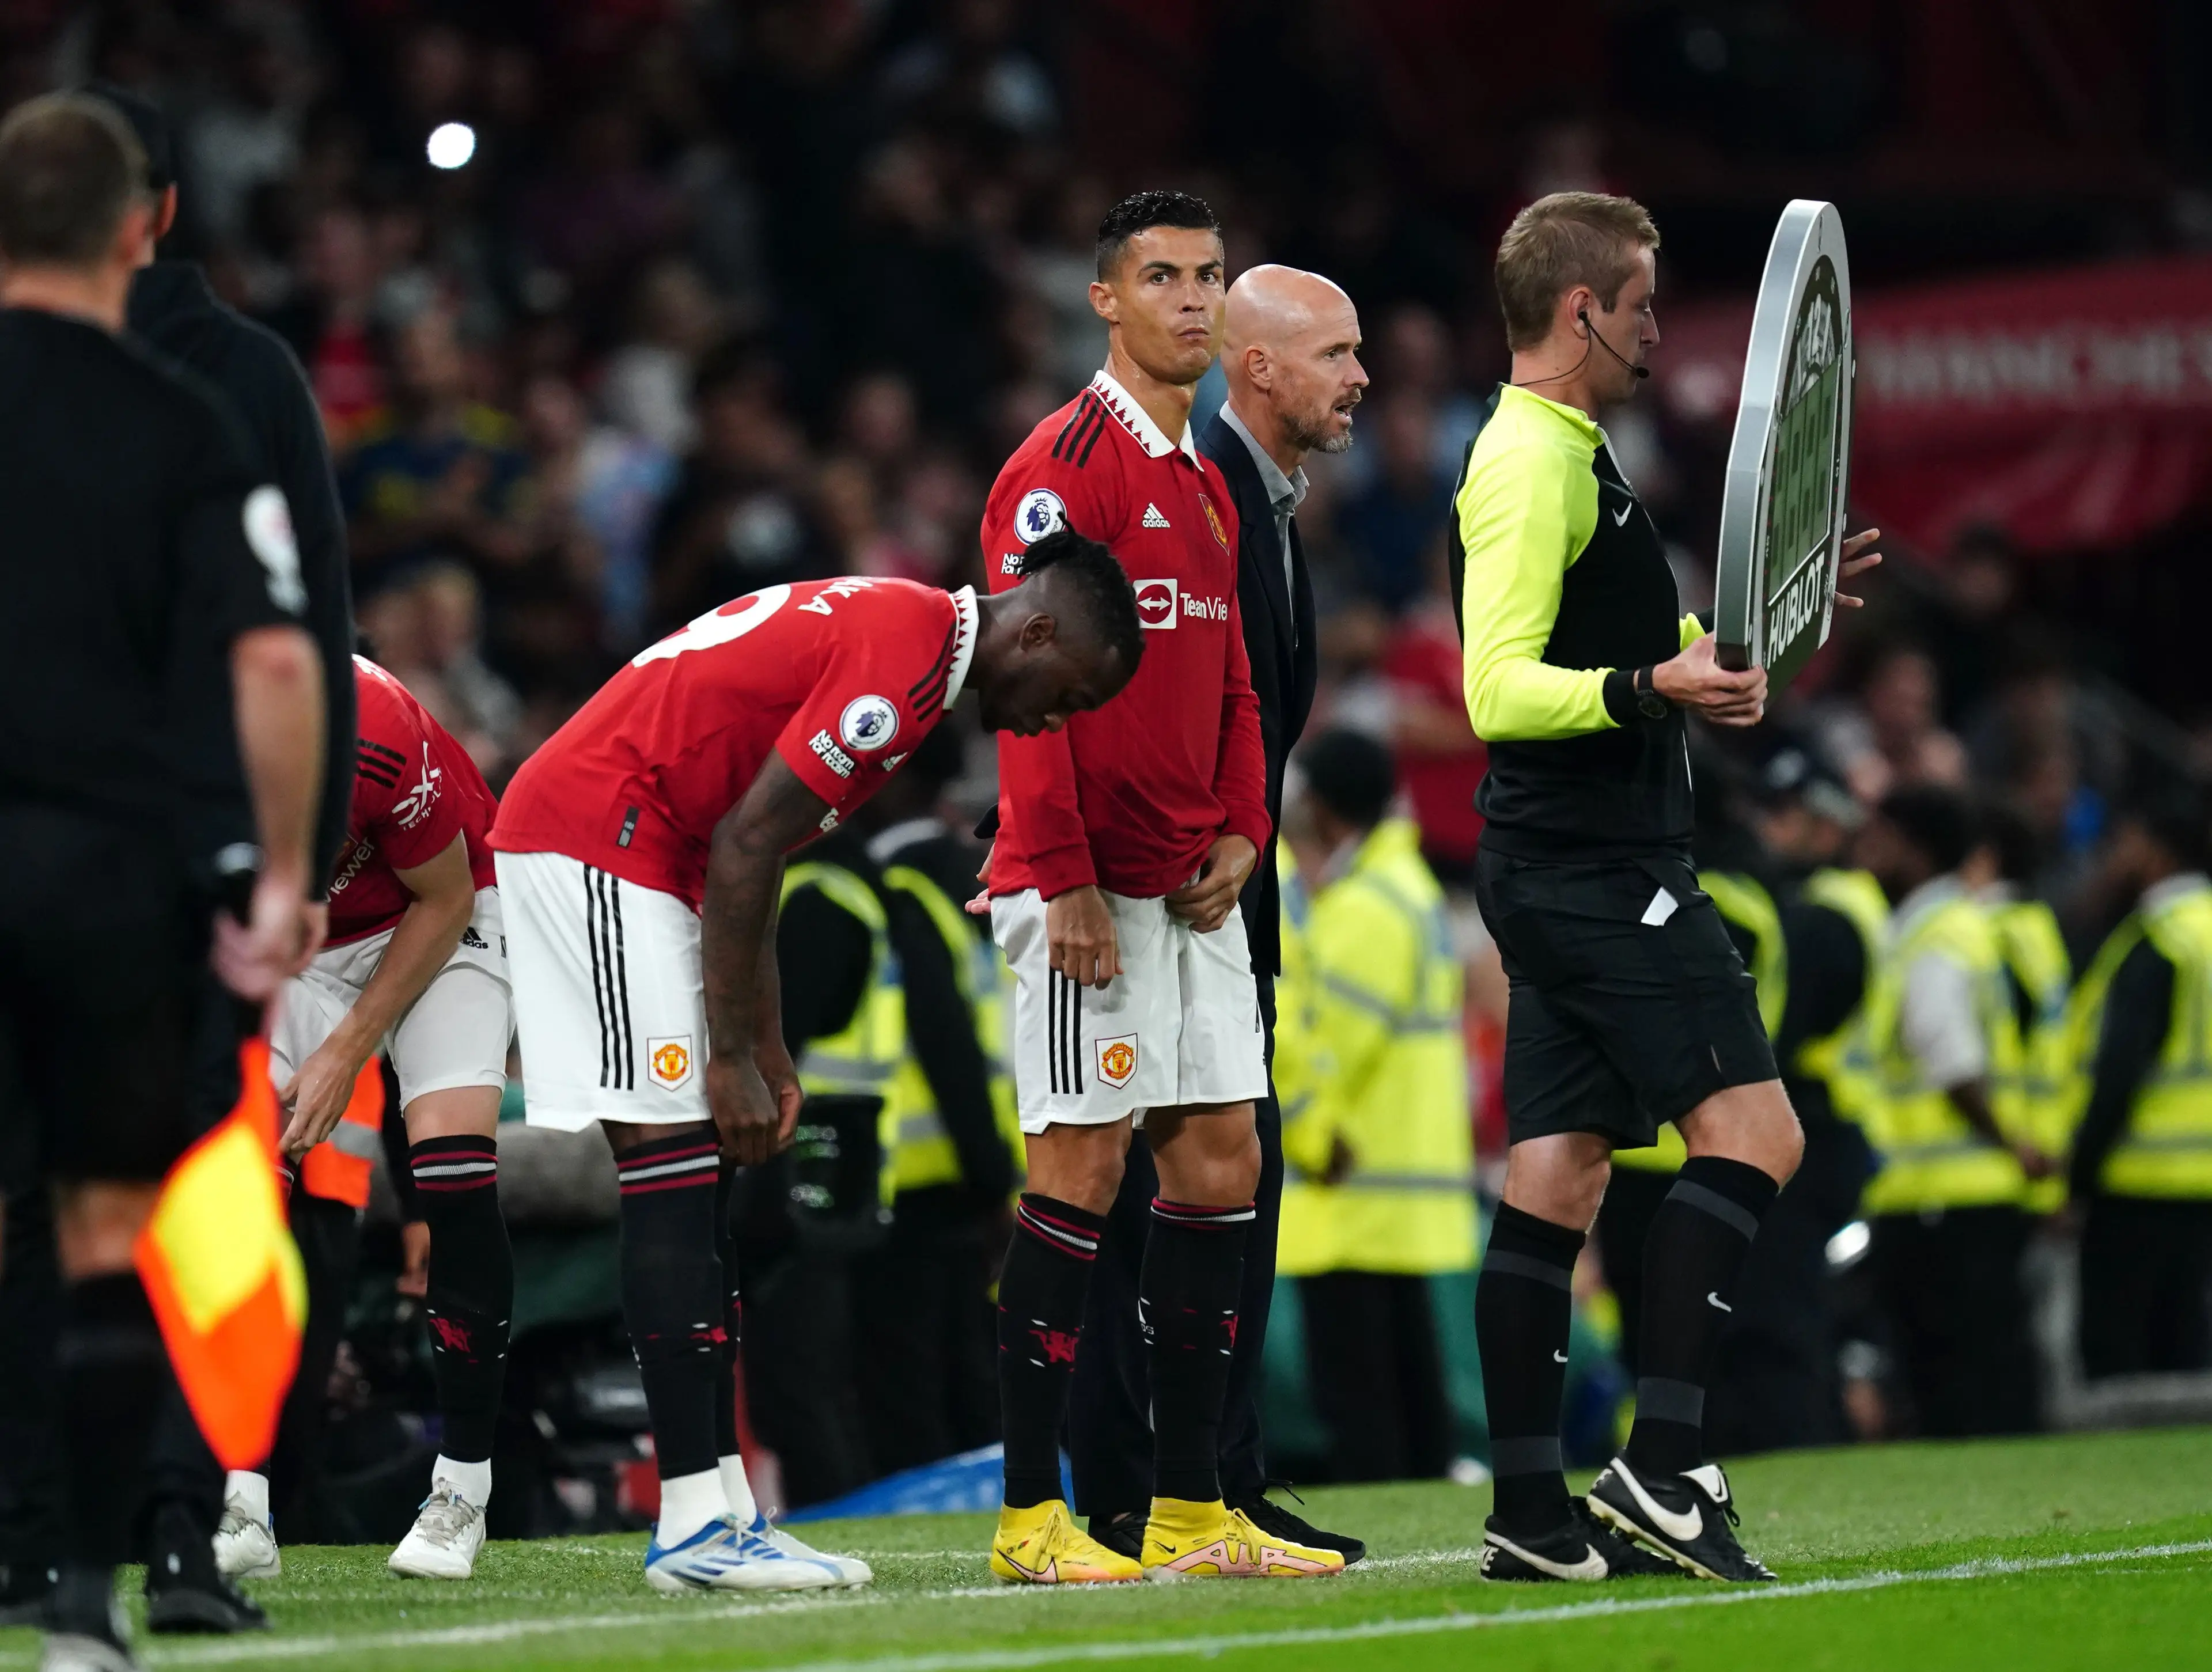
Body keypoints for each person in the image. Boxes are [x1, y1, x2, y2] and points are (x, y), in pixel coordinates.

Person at [488, 532, 1141, 1593]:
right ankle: (693, 1522)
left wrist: (769, 1044)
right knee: (668, 1167)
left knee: (698, 1181)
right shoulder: (908, 665)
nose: (1051, 722)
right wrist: (734, 1053)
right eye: (1067, 693)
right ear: (1035, 630)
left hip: (651, 841)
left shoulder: (913, 640)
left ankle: (725, 1501)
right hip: (600, 830)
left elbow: (759, 845)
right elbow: (746, 843)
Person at [1448, 191, 1880, 1584]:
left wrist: (1775, 611)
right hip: (1597, 869)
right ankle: (1666, 1463)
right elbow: (1493, 684)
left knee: (1559, 1174)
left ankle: (1530, 1504)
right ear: (1580, 310)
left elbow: (1675, 652)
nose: (1653, 322)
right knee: (1756, 1133)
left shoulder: (1578, 454)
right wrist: (1653, 685)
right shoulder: (1531, 464)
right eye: (1638, 302)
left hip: (1561, 865)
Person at [29, 79, 361, 1637]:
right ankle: (137, 1553)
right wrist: (291, 867)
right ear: (150, 215)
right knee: (142, 1220)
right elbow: (292, 655)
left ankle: (25, 1530)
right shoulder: (217, 395)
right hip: (142, 869)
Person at [978, 192, 1342, 1586]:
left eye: (1206, 276)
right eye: (1162, 278)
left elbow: (1239, 677)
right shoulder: (1064, 470)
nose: (1191, 300)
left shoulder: (1201, 477)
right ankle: (1028, 1518)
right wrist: (1062, 874)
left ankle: (1194, 1509)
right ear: (1104, 301)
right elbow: (1022, 681)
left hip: (1197, 886)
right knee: (1078, 1168)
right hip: (1090, 893)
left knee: (1218, 1165)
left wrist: (1248, 826)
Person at [1067, 263, 1359, 1565]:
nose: (1359, 375)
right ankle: (1137, 1489)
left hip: (1223, 903)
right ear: (1259, 366)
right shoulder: (1200, 499)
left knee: (1224, 1197)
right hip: (1160, 901)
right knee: (1134, 1206)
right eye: (1336, 352)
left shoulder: (1262, 503)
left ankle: (1213, 1479)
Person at [212, 657, 514, 1583]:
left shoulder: (376, 731)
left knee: (455, 1173)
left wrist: (344, 1050)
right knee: (237, 1189)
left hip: (436, 909)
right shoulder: (168, 730)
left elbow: (445, 894)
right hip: (292, 939)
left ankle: (462, 1486)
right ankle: (237, 1496)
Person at [1274, 731, 1475, 1483]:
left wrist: (1312, 1133)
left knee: (1361, 1392)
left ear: (1321, 805)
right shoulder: (1406, 887)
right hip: (1393, 1185)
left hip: (1353, 1182)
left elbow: (1328, 1047)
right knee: (1406, 1375)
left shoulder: (1365, 906)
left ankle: (1394, 1498)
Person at [1853, 786, 2046, 1436]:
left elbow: (1949, 1057)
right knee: (1985, 1358)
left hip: (1943, 1194)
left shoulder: (1932, 931)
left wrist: (2004, 1139)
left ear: (1917, 846)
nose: (1866, 847)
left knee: (1954, 1372)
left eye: (1880, 835)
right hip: (1964, 1191)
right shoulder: (1953, 923)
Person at [853, 729, 1018, 1479]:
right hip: (1011, 1160)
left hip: (918, 1173)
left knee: (911, 1386)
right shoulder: (985, 874)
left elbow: (941, 1037)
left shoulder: (895, 885)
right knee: (986, 1375)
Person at [2065, 786, 2212, 1377]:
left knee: (2122, 1355)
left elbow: (2120, 1069)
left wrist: (2079, 1174)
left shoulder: (2159, 938)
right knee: (2190, 1353)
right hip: (2203, 1182)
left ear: (2156, 852)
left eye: (2123, 843)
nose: (2113, 858)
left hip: (2139, 1178)